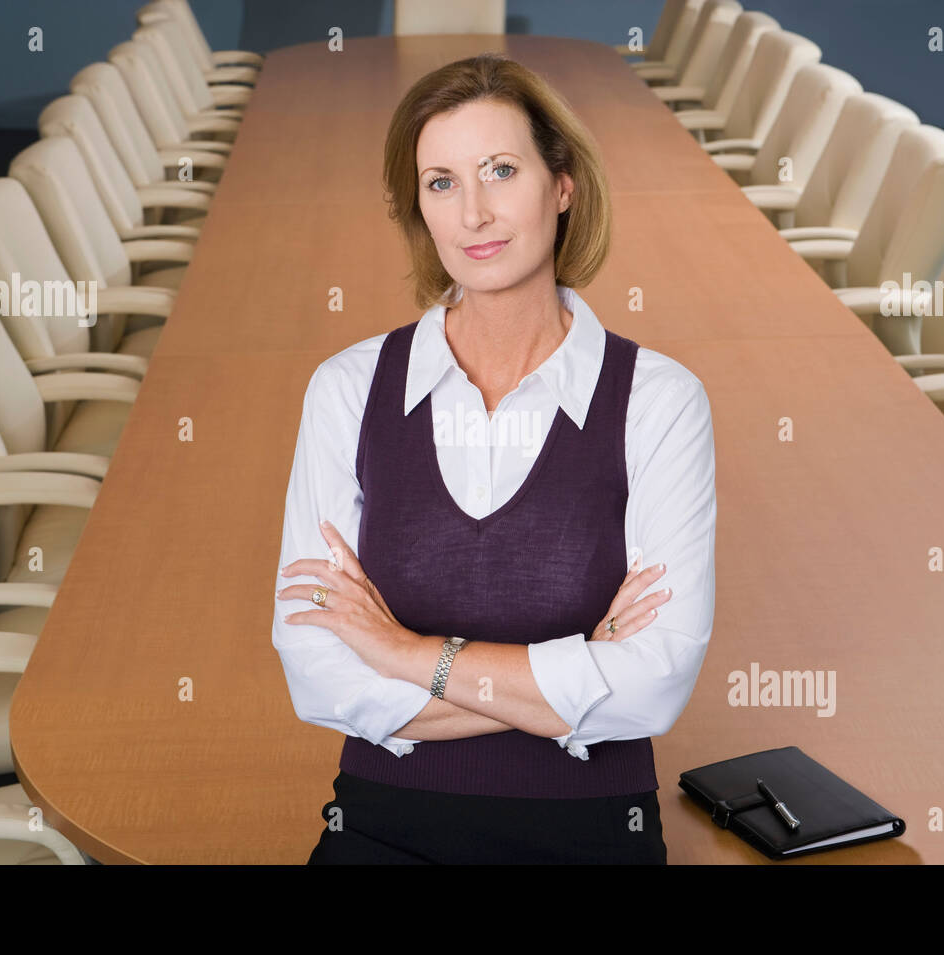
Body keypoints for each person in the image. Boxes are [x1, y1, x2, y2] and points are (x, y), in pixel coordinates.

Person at [272, 52, 716, 864]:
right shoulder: (347, 390)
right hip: (383, 826)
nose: (473, 213)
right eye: (441, 182)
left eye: (500, 171)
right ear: (420, 210)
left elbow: (654, 684)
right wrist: (579, 673)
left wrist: (406, 655)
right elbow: (318, 671)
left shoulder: (659, 401)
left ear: (563, 184)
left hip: (592, 832)